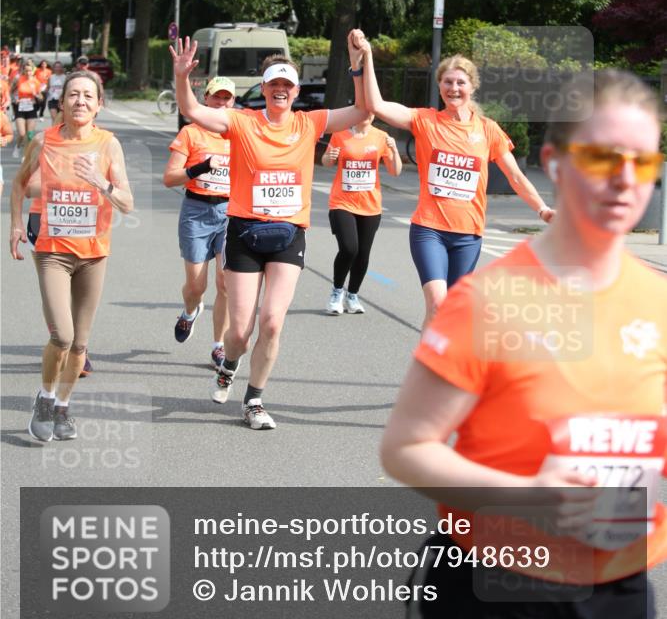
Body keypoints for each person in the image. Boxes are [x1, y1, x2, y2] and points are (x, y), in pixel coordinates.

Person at [380, 69, 667, 619]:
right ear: (555, 162)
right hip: (492, 598)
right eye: (601, 156)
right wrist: (530, 495)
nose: (623, 179)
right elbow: (406, 450)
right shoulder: (487, 301)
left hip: (616, 596)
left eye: (642, 160)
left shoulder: (659, 302)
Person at [170, 34, 368, 430]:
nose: (280, 90)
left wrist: (358, 64)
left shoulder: (310, 122)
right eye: (273, 84)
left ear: (295, 91)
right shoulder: (242, 122)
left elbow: (364, 108)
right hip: (244, 234)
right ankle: (229, 364)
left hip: (288, 234)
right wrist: (181, 78)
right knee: (240, 333)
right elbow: (191, 109)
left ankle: (254, 400)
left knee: (273, 322)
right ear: (264, 89)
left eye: (287, 85)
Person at [352, 33, 554, 327]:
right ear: (439, 86)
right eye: (447, 82)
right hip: (429, 230)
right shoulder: (424, 120)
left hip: (468, 235)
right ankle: (428, 371)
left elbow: (515, 176)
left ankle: (440, 366)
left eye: (460, 82)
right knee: (437, 302)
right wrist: (367, 56)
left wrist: (543, 209)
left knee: (453, 315)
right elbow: (377, 105)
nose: (454, 88)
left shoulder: (487, 130)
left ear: (472, 87)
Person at [9, 69, 133, 442]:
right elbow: (18, 184)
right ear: (61, 103)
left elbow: (126, 202)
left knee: (80, 343)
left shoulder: (108, 144)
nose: (80, 101)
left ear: (99, 105)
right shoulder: (43, 142)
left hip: (93, 255)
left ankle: (63, 406)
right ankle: (45, 398)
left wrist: (102, 182)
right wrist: (16, 225)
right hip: (53, 252)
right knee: (62, 336)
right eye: (73, 95)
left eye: (88, 96)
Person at [163, 76, 236, 379]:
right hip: (196, 210)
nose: (221, 103)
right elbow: (169, 178)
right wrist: (200, 168)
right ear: (206, 99)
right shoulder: (190, 133)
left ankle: (219, 345)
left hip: (231, 212)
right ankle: (190, 311)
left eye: (227, 99)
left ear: (233, 102)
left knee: (226, 284)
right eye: (216, 98)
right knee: (196, 287)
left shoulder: (239, 133)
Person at [322, 111, 402, 314]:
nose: (365, 115)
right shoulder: (340, 135)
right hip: (342, 202)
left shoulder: (381, 137)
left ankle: (352, 295)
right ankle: (337, 292)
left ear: (374, 115)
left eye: (370, 111)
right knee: (349, 248)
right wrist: (329, 157)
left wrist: (395, 150)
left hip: (370, 205)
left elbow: (395, 171)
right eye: (362, 111)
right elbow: (327, 161)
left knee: (363, 254)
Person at [10, 59, 41, 155]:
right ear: (23, 70)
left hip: (31, 108)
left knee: (30, 135)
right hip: (20, 108)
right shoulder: (18, 79)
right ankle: (18, 146)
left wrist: (36, 96)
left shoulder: (36, 82)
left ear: (33, 71)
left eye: (30, 71)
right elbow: (11, 91)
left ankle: (26, 155)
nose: (28, 73)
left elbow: (41, 97)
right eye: (26, 70)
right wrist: (15, 99)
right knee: (22, 133)